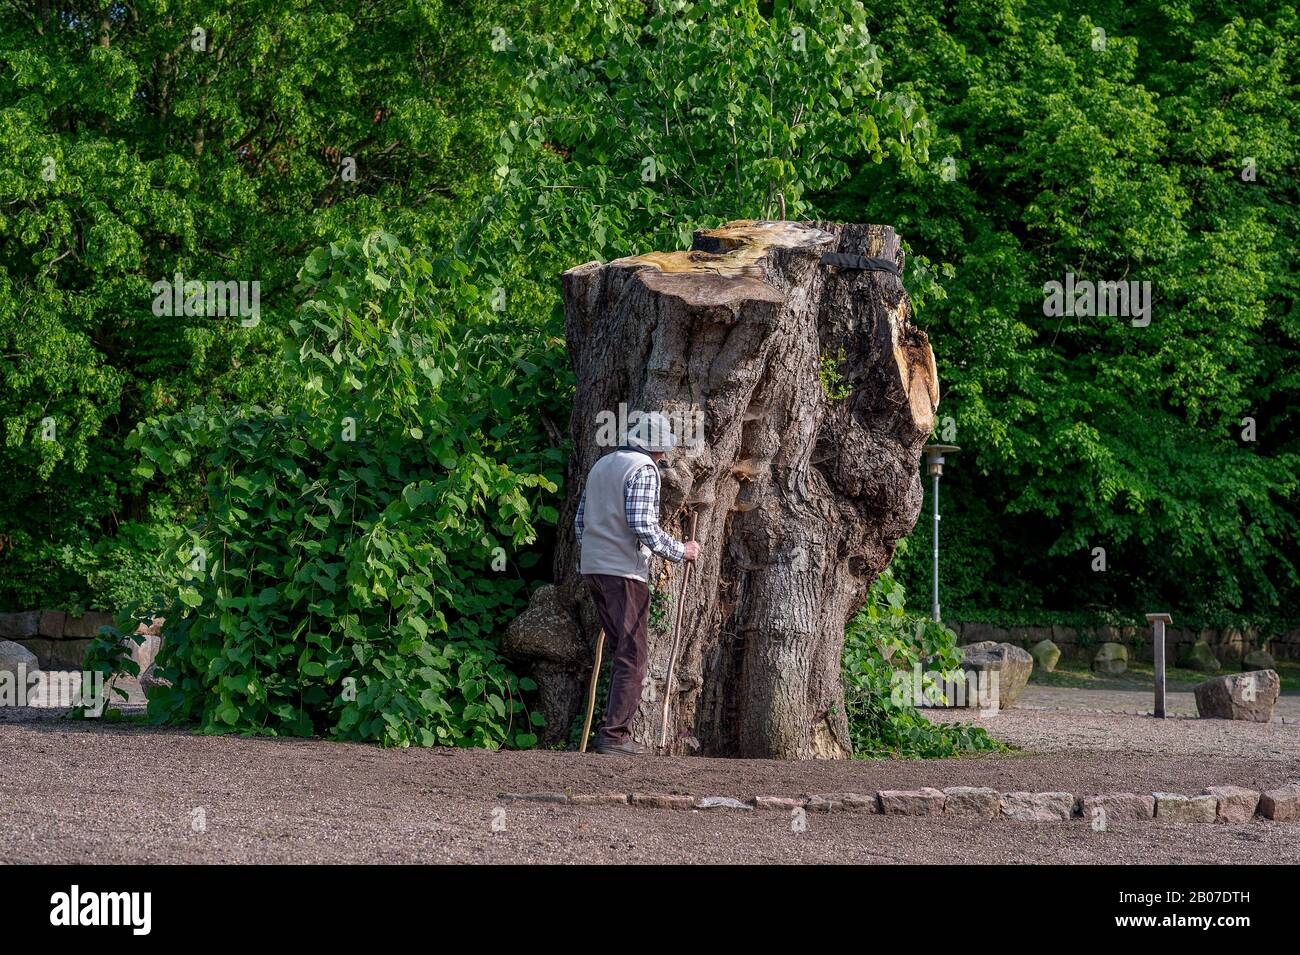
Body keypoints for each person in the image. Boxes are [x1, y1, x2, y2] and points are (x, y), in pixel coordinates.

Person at [574, 411, 700, 755]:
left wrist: (595, 555)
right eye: (662, 452)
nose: (662, 458)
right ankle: (614, 736)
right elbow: (642, 524)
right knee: (633, 654)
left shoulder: (601, 466)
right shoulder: (643, 469)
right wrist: (680, 550)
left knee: (622, 651)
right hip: (623, 571)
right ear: (654, 449)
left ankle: (612, 732)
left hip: (593, 568)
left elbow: (580, 522)